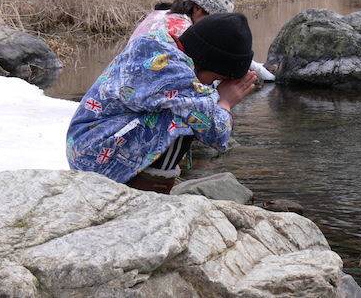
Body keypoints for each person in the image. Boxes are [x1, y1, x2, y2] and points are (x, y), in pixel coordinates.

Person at [66, 12, 257, 194]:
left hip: (89, 146)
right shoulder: (171, 72)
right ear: (206, 60)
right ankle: (152, 188)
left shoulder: (156, 47)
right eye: (216, 79)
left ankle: (150, 183)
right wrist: (225, 102)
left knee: (190, 110)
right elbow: (217, 134)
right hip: (97, 160)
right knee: (185, 118)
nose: (213, 86)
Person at [128, 0, 235, 44]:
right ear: (197, 9)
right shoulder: (182, 28)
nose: (212, 28)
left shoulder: (163, 13)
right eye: (211, 20)